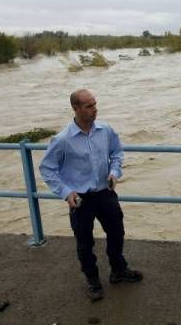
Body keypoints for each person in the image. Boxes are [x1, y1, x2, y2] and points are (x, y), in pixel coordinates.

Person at [39, 89, 142, 301]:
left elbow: (117, 153)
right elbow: (47, 168)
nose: (94, 109)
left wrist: (114, 172)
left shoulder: (105, 130)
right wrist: (66, 192)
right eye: (89, 106)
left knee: (117, 232)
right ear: (75, 109)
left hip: (105, 192)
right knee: (84, 242)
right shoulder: (62, 139)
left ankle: (118, 270)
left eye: (95, 104)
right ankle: (92, 280)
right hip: (80, 199)